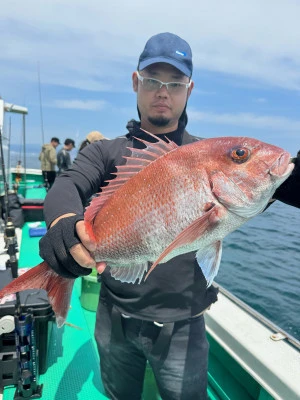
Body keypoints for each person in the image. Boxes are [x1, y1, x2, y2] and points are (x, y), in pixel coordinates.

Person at [40, 33, 300, 399]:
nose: (163, 92)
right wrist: (63, 224)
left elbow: (271, 188)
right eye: (153, 81)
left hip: (184, 325)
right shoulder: (106, 152)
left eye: (175, 83)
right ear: (136, 83)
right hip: (114, 316)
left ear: (188, 89)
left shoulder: (206, 156)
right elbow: (69, 183)